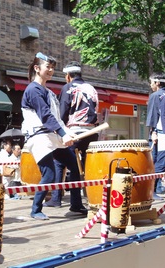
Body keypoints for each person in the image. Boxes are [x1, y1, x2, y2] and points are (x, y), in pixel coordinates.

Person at [21, 52, 87, 220]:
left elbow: (56, 118)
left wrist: (68, 132)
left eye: (52, 68)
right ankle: (36, 209)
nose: (50, 70)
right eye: (47, 67)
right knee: (49, 174)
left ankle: (76, 204)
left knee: (73, 165)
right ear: (37, 68)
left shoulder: (48, 92)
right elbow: (45, 116)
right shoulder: (33, 90)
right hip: (39, 137)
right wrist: (63, 134)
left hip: (53, 135)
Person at [45, 61, 99, 207]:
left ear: (68, 76)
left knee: (60, 161)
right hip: (91, 132)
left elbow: (62, 113)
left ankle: (57, 198)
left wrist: (58, 131)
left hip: (74, 131)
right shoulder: (91, 88)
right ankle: (92, 198)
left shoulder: (68, 88)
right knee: (86, 166)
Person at [146, 72, 165, 163]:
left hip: (158, 133)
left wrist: (153, 132)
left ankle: (157, 178)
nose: (151, 85)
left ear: (157, 83)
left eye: (151, 82)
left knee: (155, 161)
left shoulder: (155, 96)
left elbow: (153, 115)